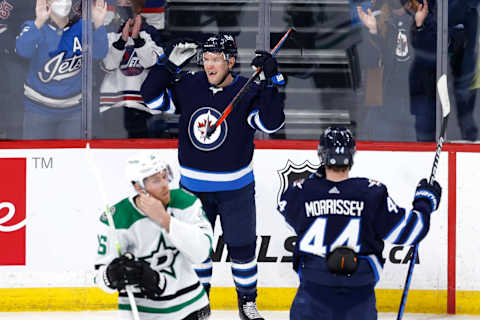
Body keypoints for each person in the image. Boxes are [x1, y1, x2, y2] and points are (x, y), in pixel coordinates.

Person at [141, 34, 286, 320]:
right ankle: (198, 301)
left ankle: (247, 303)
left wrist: (272, 82)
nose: (209, 65)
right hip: (193, 190)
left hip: (236, 191)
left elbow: (272, 122)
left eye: (216, 59)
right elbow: (152, 97)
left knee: (242, 249)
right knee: (197, 248)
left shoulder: (247, 89)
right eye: (206, 59)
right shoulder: (190, 86)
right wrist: (167, 66)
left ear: (230, 61)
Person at [277, 127, 442, 320]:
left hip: (313, 293)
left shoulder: (302, 191)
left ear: (321, 155)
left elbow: (286, 212)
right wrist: (425, 202)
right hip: (359, 297)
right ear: (352, 156)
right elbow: (412, 232)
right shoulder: (371, 193)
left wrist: (317, 180)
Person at [94, 152, 213, 320]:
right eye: (156, 181)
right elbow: (99, 277)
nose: (165, 185)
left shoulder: (186, 202)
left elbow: (201, 253)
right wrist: (111, 275)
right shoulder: (116, 219)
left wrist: (165, 220)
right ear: (138, 186)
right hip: (143, 314)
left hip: (191, 308)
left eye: (165, 177)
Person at [15, 0, 108, 139]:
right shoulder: (34, 27)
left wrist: (99, 24)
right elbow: (22, 51)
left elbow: (100, 53)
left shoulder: (83, 27)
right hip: (38, 109)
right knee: (39, 158)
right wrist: (39, 22)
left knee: (72, 160)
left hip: (74, 111)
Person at [99, 0, 165, 138]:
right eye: (121, 0)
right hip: (113, 107)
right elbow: (108, 65)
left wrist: (138, 40)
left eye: (129, 0)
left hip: (143, 108)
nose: (125, 3)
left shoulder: (150, 32)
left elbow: (152, 63)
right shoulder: (108, 31)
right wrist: (121, 42)